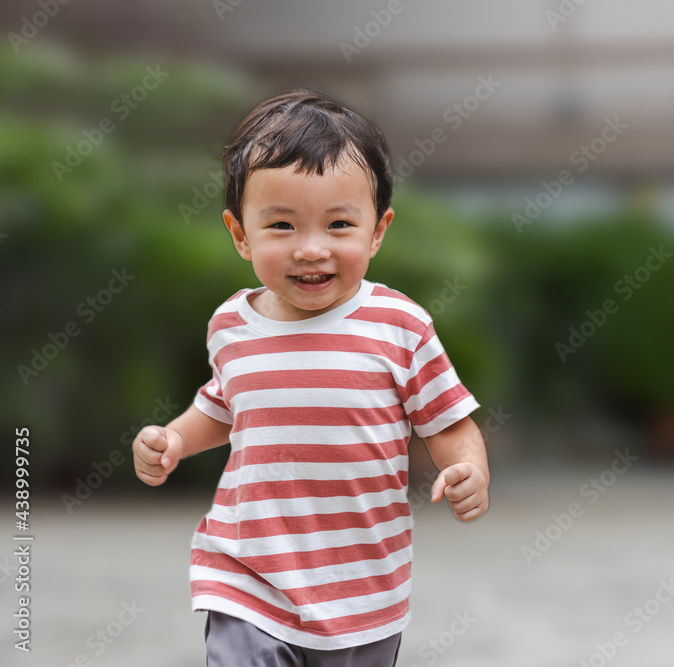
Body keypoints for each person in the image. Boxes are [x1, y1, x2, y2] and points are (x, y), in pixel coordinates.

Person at [130, 88, 489, 666]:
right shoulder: (231, 325)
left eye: (339, 224)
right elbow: (223, 407)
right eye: (282, 226)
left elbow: (448, 421)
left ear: (378, 230)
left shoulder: (399, 326)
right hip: (248, 575)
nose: (311, 249)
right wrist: (173, 439)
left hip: (361, 588)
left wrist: (468, 468)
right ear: (240, 233)